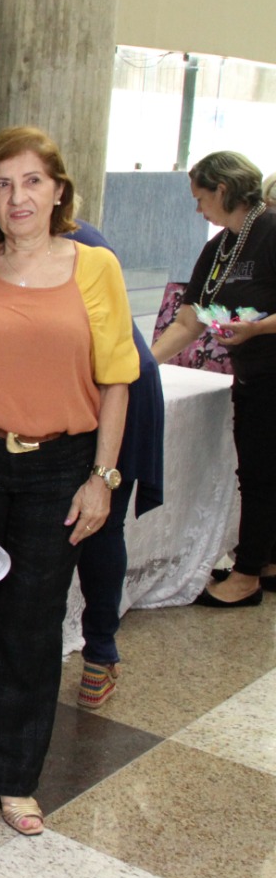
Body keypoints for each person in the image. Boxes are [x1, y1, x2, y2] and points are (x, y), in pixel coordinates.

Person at [0, 126, 137, 836]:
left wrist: (102, 478)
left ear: (58, 190)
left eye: (32, 181)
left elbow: (117, 380)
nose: (18, 197)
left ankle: (16, 775)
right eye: (2, 183)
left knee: (33, 619)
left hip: (59, 466)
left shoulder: (96, 268)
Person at [151, 150, 276, 607]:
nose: (197, 208)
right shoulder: (220, 246)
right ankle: (267, 560)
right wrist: (143, 364)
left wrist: (256, 329)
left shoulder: (270, 231)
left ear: (222, 190)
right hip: (252, 374)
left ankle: (246, 577)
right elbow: (190, 321)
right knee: (260, 469)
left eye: (200, 198)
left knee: (261, 474)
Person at [68, 220, 166, 708]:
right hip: (90, 386)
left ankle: (100, 653)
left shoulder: (82, 244)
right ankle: (97, 653)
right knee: (89, 528)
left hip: (116, 389)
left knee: (99, 524)